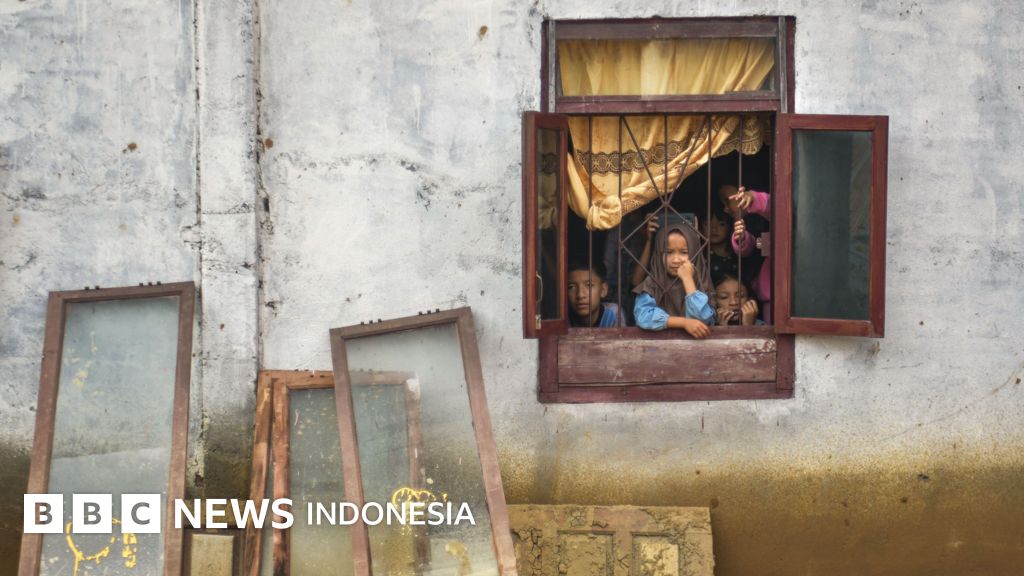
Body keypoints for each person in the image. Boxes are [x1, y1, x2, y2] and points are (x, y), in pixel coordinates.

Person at [633, 222, 715, 339]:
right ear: (659, 254)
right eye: (668, 252)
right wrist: (684, 323)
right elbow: (642, 315)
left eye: (684, 252)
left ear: (694, 253)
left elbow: (701, 320)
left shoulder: (701, 281)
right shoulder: (653, 282)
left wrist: (688, 279)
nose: (676, 260)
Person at [730, 186, 772, 322]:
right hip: (770, 294)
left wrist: (753, 197)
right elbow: (749, 248)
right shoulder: (758, 228)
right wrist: (741, 237)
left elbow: (776, 207)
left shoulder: (789, 209)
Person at [567, 261, 626, 328]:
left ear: (603, 290)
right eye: (571, 287)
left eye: (589, 285)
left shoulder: (612, 314)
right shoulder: (562, 317)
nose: (580, 295)